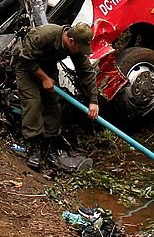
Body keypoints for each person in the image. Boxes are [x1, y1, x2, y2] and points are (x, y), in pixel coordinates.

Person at [15, 22, 99, 171]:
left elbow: (86, 72)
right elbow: (26, 59)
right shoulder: (43, 35)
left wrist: (93, 101)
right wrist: (43, 79)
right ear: (71, 41)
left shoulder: (75, 47)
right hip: (27, 68)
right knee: (33, 103)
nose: (80, 51)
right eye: (79, 48)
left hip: (48, 68)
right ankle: (33, 148)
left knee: (53, 106)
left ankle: (48, 147)